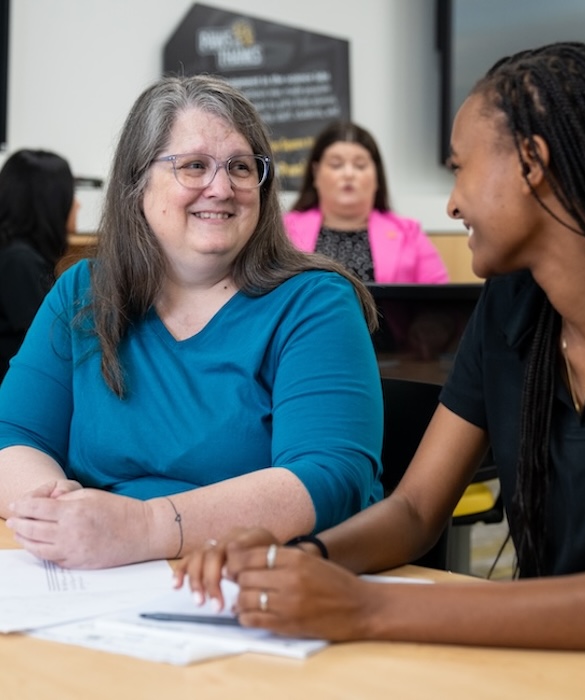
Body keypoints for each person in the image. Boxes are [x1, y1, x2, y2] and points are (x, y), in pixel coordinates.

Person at [175, 42, 585, 651]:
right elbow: (417, 511)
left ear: (533, 163)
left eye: (459, 167)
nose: (451, 202)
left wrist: (367, 607)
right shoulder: (509, 307)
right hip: (555, 664)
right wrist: (304, 557)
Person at [0, 74, 384, 570]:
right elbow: (12, 434)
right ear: (137, 185)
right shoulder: (84, 291)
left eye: (241, 168)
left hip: (257, 582)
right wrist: (57, 518)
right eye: (195, 166)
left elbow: (330, 476)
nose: (221, 188)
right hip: (96, 581)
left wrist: (142, 528)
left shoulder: (316, 303)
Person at [283, 120, 449, 284]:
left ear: (376, 176)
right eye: (336, 165)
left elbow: (439, 303)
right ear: (316, 173)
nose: (348, 174)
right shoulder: (283, 231)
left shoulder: (409, 234)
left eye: (360, 166)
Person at [0, 149, 78, 382]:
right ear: (50, 202)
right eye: (70, 195)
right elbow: (57, 342)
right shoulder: (19, 262)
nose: (77, 205)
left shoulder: (15, 254)